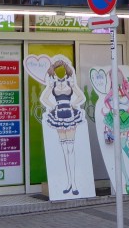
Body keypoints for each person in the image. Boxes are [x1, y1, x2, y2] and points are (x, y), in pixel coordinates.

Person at [40, 58, 87, 196]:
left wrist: (73, 104)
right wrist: (53, 106)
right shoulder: (52, 84)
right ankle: (69, 183)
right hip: (59, 115)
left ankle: (74, 183)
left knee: (70, 149)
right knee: (64, 150)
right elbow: (44, 99)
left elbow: (80, 96)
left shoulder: (69, 82)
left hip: (70, 115)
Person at [101, 69, 129, 194]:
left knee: (124, 147)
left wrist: (126, 92)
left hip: (125, 121)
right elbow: (109, 104)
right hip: (114, 120)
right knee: (121, 149)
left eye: (118, 75)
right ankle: (127, 180)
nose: (116, 78)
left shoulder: (126, 90)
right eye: (113, 76)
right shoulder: (111, 92)